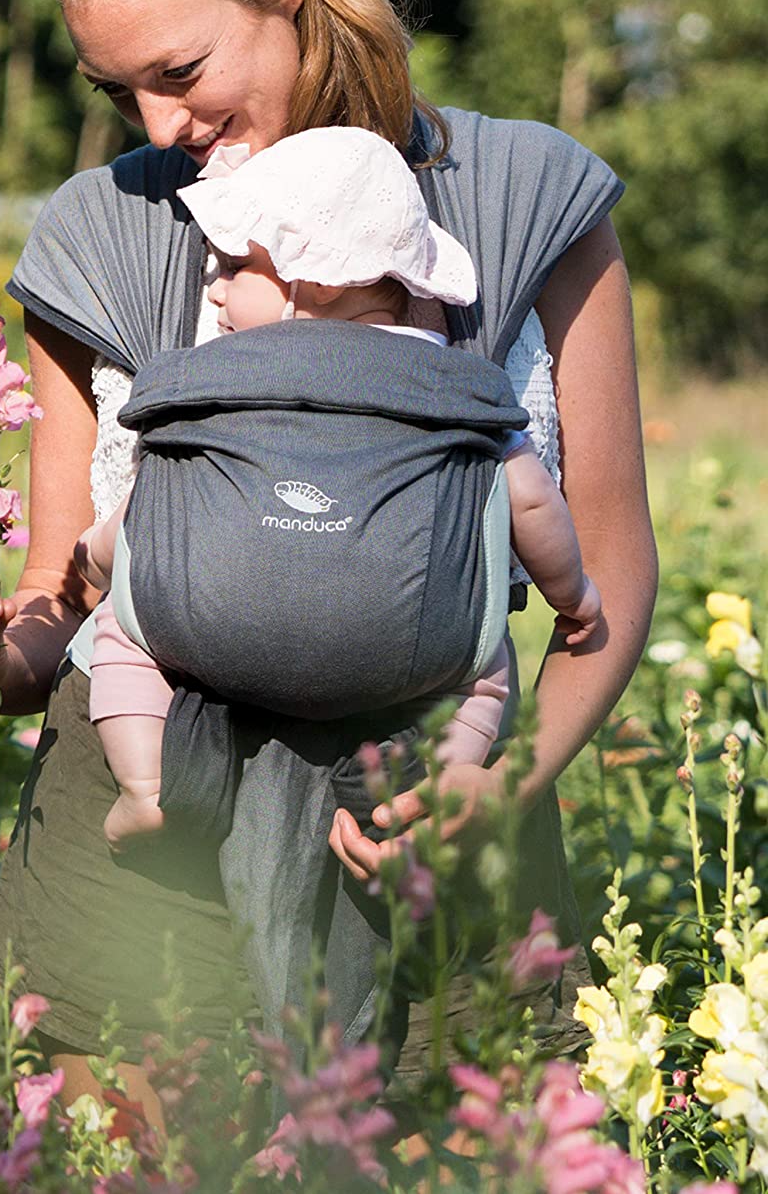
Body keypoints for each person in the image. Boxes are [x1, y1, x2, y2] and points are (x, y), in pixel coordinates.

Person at [0, 0, 657, 1121]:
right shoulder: (107, 233)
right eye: (114, 88)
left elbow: (613, 571)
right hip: (140, 870)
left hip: (425, 848)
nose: (156, 130)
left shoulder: (525, 204)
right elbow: (57, 615)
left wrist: (505, 779)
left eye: (180, 72)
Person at [74, 127, 601, 850]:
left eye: (232, 265)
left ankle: (147, 789)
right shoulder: (456, 388)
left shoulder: (208, 377)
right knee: (480, 675)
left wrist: (97, 555)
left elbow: (154, 503)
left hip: (204, 632)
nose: (216, 288)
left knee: (124, 639)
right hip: (407, 649)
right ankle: (423, 806)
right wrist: (573, 597)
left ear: (313, 280)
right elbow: (533, 499)